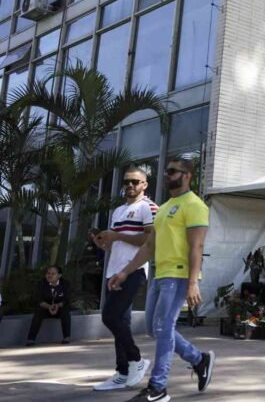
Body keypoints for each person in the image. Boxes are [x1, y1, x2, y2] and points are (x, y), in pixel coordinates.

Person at [109, 156, 215, 402]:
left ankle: (158, 388)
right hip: (160, 274)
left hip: (178, 275)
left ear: (187, 175)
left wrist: (192, 282)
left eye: (172, 171)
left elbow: (196, 246)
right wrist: (125, 271)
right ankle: (200, 360)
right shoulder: (165, 207)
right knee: (154, 329)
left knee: (163, 328)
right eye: (166, 172)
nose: (167, 175)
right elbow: (149, 246)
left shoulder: (195, 205)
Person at [91, 166, 158, 391]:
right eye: (127, 182)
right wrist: (102, 242)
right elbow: (112, 243)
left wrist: (118, 235)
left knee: (109, 316)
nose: (130, 185)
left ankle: (137, 360)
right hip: (114, 270)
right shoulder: (118, 211)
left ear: (144, 185)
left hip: (134, 270)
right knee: (121, 321)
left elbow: (150, 241)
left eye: (135, 182)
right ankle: (122, 372)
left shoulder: (148, 207)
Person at [26, 265, 71, 346]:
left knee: (65, 311)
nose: (49, 275)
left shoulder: (65, 284)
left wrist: (57, 305)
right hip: (45, 308)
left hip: (59, 308)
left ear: (59, 275)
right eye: (48, 273)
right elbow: (39, 299)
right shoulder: (41, 283)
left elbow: (66, 299)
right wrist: (49, 307)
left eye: (53, 274)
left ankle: (66, 337)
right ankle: (31, 339)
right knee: (38, 312)